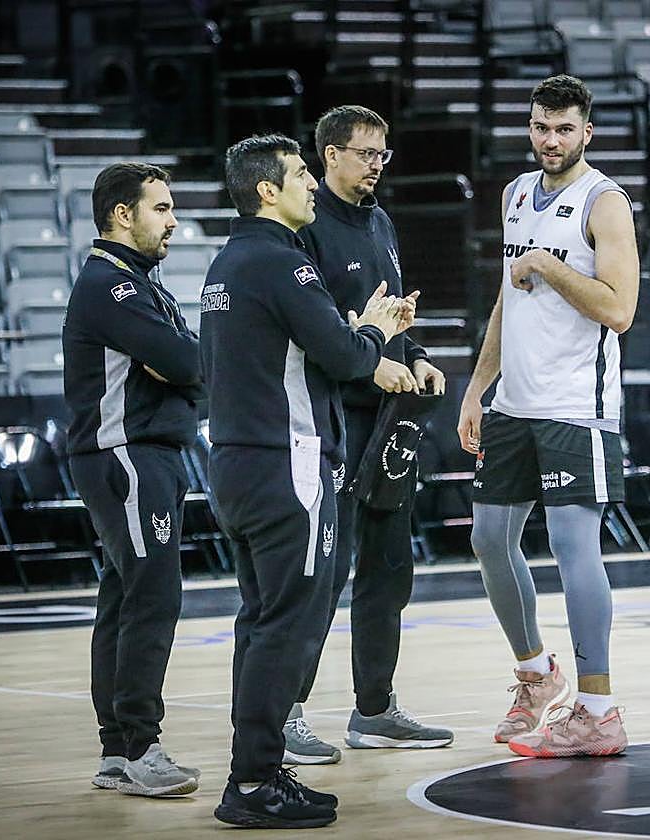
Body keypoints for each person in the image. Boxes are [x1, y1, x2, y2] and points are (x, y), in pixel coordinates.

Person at [201, 134, 413, 828]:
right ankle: (255, 783)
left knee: (260, 624)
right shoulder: (282, 264)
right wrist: (376, 330)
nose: (311, 185)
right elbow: (348, 357)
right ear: (267, 190)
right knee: (286, 627)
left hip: (235, 461)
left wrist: (356, 333)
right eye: (298, 174)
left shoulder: (227, 261)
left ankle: (255, 774)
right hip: (286, 464)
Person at [456, 74, 639, 758]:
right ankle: (536, 675)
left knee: (571, 549)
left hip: (575, 407)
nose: (550, 139)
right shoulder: (514, 194)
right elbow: (509, 300)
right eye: (540, 127)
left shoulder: (604, 201)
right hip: (514, 403)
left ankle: (598, 708)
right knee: (487, 540)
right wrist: (477, 389)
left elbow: (619, 310)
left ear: (585, 132)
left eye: (563, 129)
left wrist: (547, 264)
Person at [286, 104, 452, 762]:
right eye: (365, 154)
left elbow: (389, 315)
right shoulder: (307, 224)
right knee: (322, 574)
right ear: (329, 155)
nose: (377, 165)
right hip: (332, 426)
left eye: (383, 155)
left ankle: (374, 710)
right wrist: (372, 359)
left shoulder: (380, 221)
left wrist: (416, 357)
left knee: (388, 569)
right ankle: (288, 713)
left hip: (388, 425)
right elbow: (318, 330)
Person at [64, 162, 201, 797]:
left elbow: (185, 364)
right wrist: (185, 364)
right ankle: (141, 748)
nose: (172, 222)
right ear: (124, 214)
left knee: (123, 598)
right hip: (128, 457)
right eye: (162, 209)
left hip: (138, 456)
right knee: (153, 596)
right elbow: (185, 360)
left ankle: (117, 753)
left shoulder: (138, 283)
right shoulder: (110, 286)